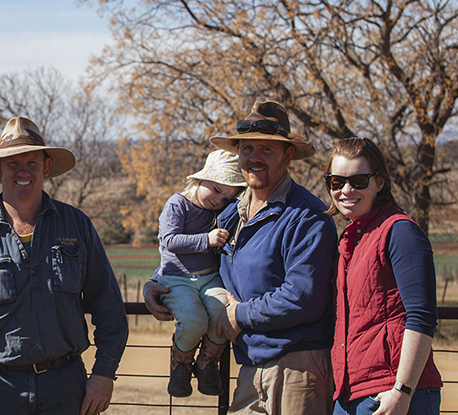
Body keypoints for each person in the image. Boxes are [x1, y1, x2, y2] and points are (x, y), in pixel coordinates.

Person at [0, 116, 129, 415]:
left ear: (45, 168)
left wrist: (104, 373)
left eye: (32, 163)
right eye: (12, 163)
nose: (23, 172)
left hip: (66, 386)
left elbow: (108, 306)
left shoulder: (76, 225)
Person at [144, 101, 338, 415]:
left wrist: (238, 316)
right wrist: (157, 280)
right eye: (247, 148)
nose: (254, 158)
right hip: (250, 362)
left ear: (287, 156)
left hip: (297, 366)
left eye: (267, 149)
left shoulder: (306, 217)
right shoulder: (232, 211)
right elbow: (196, 251)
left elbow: (303, 298)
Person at [325, 138, 442, 415]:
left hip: (390, 395)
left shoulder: (400, 231)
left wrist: (402, 391)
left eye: (359, 181)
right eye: (337, 182)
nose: (346, 190)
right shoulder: (349, 240)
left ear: (380, 182)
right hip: (349, 393)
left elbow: (422, 316)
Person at [153, 149, 246, 397]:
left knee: (221, 314)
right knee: (194, 320)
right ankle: (180, 363)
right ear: (200, 179)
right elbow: (169, 240)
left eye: (227, 198)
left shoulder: (218, 213)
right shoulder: (177, 204)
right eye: (216, 190)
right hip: (177, 278)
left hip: (209, 278)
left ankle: (206, 363)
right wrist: (206, 239)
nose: (218, 200)